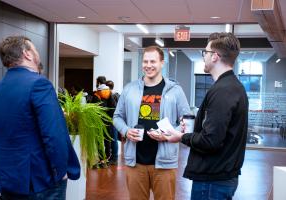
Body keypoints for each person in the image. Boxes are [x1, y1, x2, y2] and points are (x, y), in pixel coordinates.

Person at [0, 36, 80, 200]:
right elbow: (54, 134)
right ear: (27, 54)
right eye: (35, 49)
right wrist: (61, 171)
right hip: (38, 179)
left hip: (5, 178)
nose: (37, 52)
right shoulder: (39, 84)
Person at [165, 32, 249, 200]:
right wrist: (195, 126)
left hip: (213, 181)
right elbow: (220, 130)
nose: (204, 57)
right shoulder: (232, 87)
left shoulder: (223, 91)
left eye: (206, 53)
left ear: (215, 57)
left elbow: (211, 141)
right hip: (220, 177)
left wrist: (182, 136)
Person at [113, 45, 191, 200]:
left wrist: (168, 134)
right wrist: (126, 131)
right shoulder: (130, 89)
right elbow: (117, 116)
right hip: (135, 162)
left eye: (153, 61)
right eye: (145, 61)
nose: (148, 66)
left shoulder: (175, 90)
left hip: (164, 163)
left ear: (162, 63)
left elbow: (187, 120)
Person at [105, 80, 120, 164]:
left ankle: (114, 158)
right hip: (115, 119)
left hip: (112, 119)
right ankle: (114, 157)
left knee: (113, 139)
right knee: (113, 138)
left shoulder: (111, 95)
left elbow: (112, 109)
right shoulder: (117, 95)